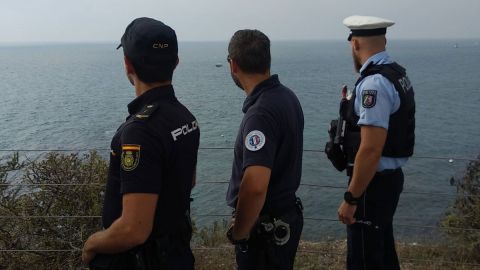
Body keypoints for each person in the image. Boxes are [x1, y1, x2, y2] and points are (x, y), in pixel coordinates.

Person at [82, 17, 199, 270]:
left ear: (128, 64)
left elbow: (133, 230)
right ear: (176, 63)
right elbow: (188, 181)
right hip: (175, 253)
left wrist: (92, 243)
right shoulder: (185, 118)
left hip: (140, 260)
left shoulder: (140, 131)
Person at [329, 15, 416, 270]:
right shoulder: (397, 74)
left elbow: (370, 148)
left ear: (355, 44)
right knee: (383, 254)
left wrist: (351, 198)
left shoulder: (374, 84)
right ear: (384, 41)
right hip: (387, 181)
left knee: (364, 260)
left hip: (372, 187)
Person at [225, 29, 305, 270]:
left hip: (264, 229)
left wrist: (240, 232)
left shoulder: (259, 114)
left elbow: (256, 186)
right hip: (286, 216)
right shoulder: (287, 97)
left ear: (233, 65)